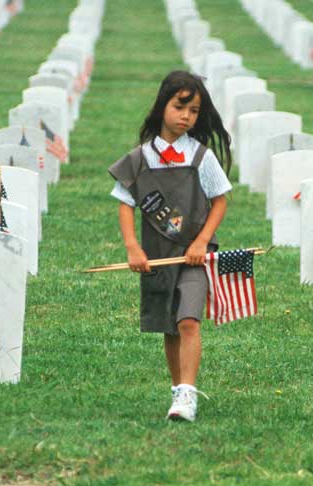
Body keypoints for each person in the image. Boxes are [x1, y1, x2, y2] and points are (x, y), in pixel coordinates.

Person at [108, 70, 232, 422]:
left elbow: (220, 200)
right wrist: (133, 247)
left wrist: (202, 241)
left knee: (189, 320)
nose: (186, 117)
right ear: (163, 104)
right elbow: (124, 202)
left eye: (194, 111)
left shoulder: (201, 157)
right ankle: (178, 392)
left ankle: (188, 393)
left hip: (194, 258)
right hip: (157, 258)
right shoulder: (140, 159)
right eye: (180, 107)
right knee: (170, 326)